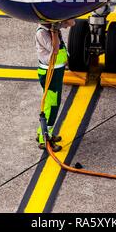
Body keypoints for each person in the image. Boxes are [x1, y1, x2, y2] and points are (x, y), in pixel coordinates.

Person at [35, 20, 75, 152]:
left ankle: (43, 132)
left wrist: (57, 26)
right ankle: (45, 138)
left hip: (56, 71)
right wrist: (54, 30)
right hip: (49, 72)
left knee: (52, 103)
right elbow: (55, 49)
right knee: (51, 105)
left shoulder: (51, 27)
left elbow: (72, 22)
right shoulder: (42, 32)